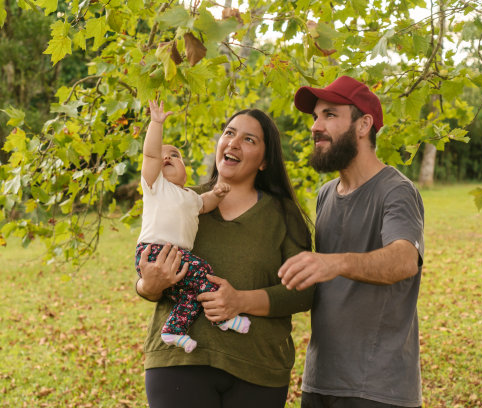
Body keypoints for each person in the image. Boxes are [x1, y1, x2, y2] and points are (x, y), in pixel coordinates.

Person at [135, 107, 314, 407]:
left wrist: (241, 301)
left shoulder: (284, 216)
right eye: (229, 133)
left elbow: (305, 293)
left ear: (265, 161)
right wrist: (149, 286)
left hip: (258, 369)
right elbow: (145, 280)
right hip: (179, 364)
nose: (233, 143)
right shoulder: (183, 202)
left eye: (249, 139)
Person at [278, 76, 425, 408]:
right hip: (320, 380)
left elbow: (404, 260)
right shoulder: (325, 194)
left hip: (377, 387)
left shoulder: (396, 191)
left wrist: (335, 262)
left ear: (363, 125)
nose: (316, 126)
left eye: (330, 115)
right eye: (315, 116)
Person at [135, 100, 251, 354]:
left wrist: (218, 194)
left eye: (175, 155)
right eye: (164, 155)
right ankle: (222, 319)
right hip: (154, 252)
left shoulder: (189, 196)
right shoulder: (156, 187)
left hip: (176, 258)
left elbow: (204, 203)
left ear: (186, 170)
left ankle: (174, 330)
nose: (167, 157)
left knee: (190, 297)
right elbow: (152, 154)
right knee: (204, 270)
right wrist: (156, 123)